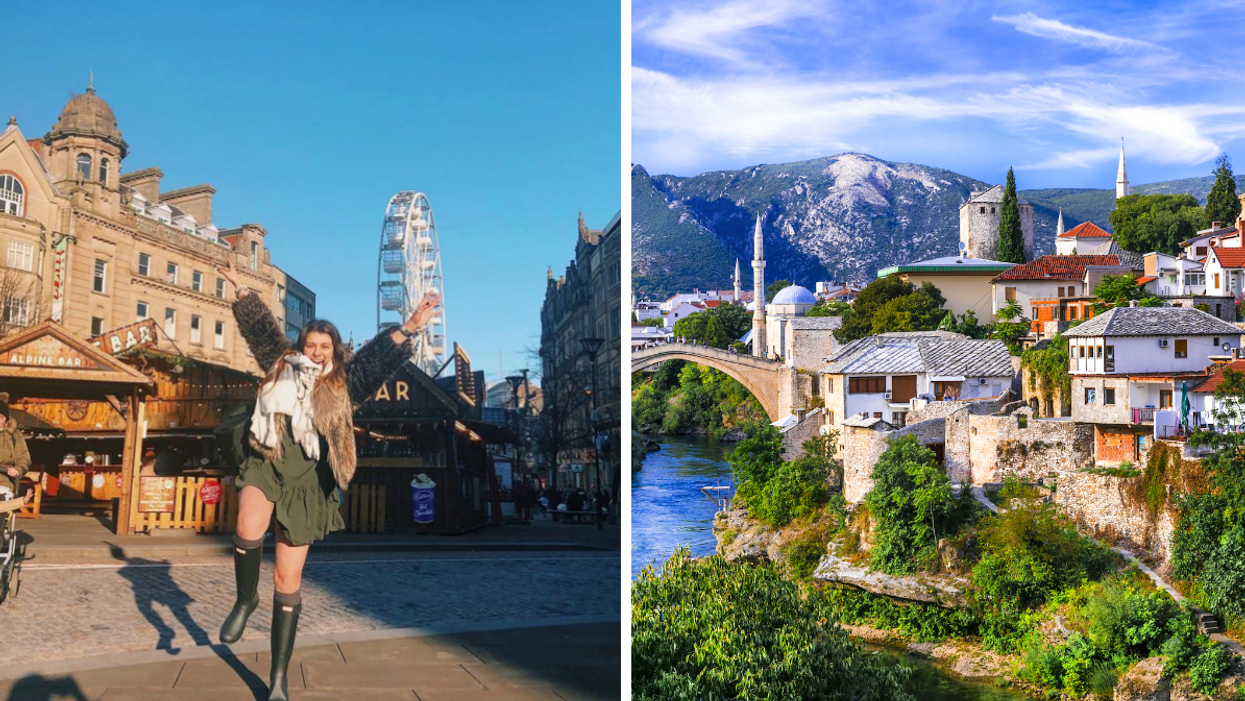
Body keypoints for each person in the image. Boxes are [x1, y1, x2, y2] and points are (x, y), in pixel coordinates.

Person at [215, 259, 438, 701]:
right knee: (246, 527)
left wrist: (411, 324)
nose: (316, 351)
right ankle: (244, 599)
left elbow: (379, 357)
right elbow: (261, 330)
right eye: (310, 343)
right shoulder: (281, 364)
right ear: (301, 345)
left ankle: (278, 678)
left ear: (334, 351)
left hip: (309, 480)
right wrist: (239, 289)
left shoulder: (343, 383)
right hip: (269, 459)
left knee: (287, 581)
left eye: (324, 346)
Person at [0, 394, 31, 505]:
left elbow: (23, 457)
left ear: (6, 419)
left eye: (1, 417)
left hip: (3, 480)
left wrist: (18, 470)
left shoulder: (13, 434)